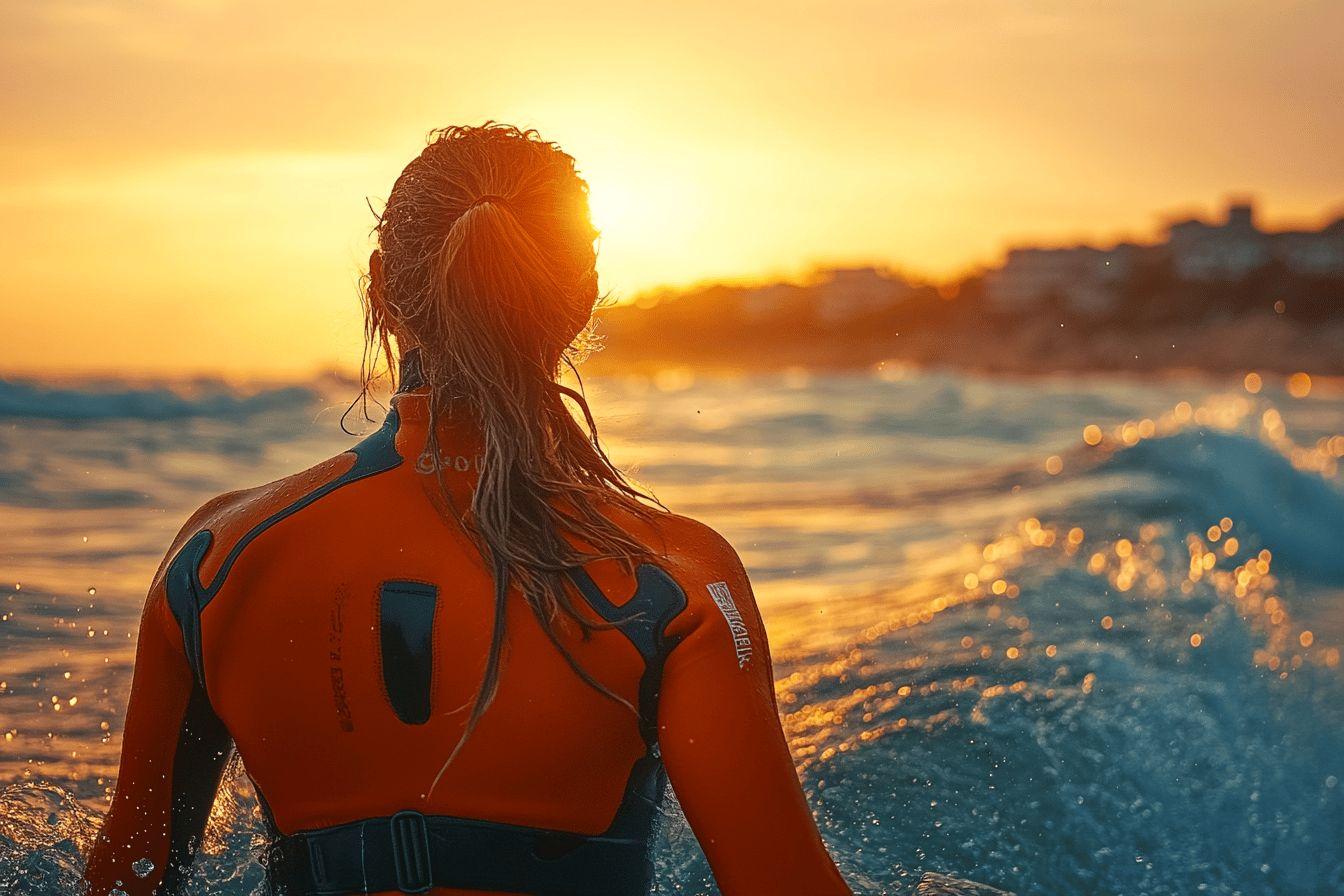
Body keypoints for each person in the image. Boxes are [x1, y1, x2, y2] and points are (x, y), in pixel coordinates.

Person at [82, 123, 852, 896]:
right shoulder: (674, 579)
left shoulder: (218, 557)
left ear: (382, 287)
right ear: (580, 297)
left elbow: (129, 880)